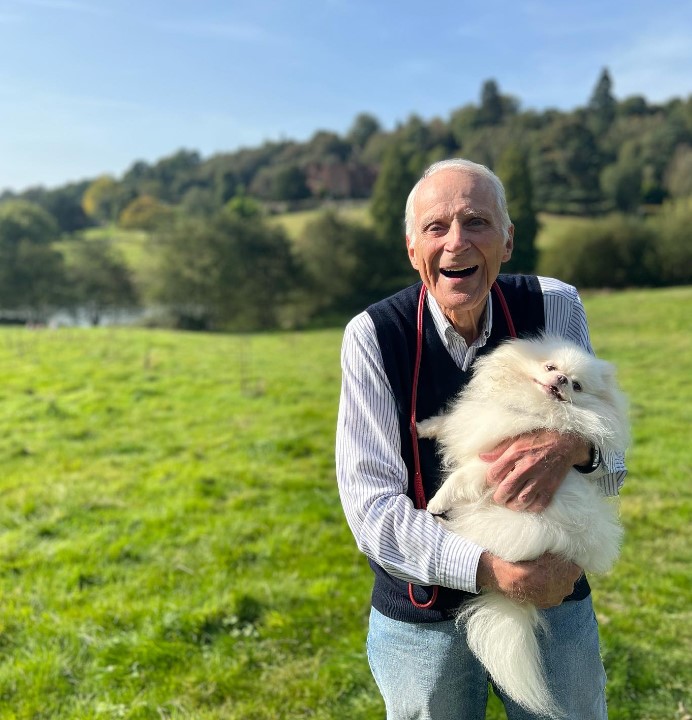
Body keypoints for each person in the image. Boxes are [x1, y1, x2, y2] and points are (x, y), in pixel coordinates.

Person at [335, 158, 627, 720]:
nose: (456, 243)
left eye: (477, 222)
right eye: (436, 227)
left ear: (508, 239)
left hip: (552, 590)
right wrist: (493, 572)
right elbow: (371, 511)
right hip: (422, 614)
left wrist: (580, 446)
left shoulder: (555, 305)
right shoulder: (373, 335)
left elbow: (613, 465)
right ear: (412, 248)